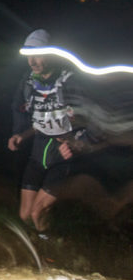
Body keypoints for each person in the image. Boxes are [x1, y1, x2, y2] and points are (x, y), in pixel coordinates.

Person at [7, 29, 100, 232]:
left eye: (38, 55)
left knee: (37, 212)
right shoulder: (28, 83)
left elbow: (94, 118)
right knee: (25, 215)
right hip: (38, 152)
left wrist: (78, 143)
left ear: (52, 55)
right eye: (28, 56)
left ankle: (50, 252)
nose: (32, 61)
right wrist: (19, 133)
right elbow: (23, 112)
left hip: (63, 155)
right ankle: (43, 245)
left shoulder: (72, 82)